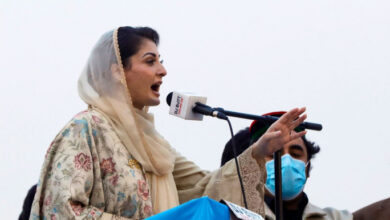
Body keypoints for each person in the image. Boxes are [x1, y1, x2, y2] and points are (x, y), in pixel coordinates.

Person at [29, 26, 308, 219]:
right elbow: (60, 211)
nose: (162, 71)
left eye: (160, 61)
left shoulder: (155, 145)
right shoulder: (86, 130)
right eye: (150, 61)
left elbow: (207, 190)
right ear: (117, 71)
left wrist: (259, 150)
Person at [221, 112, 390, 220]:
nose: (286, 160)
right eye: (274, 154)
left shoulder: (335, 218)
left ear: (307, 167)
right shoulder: (235, 215)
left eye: (295, 153)